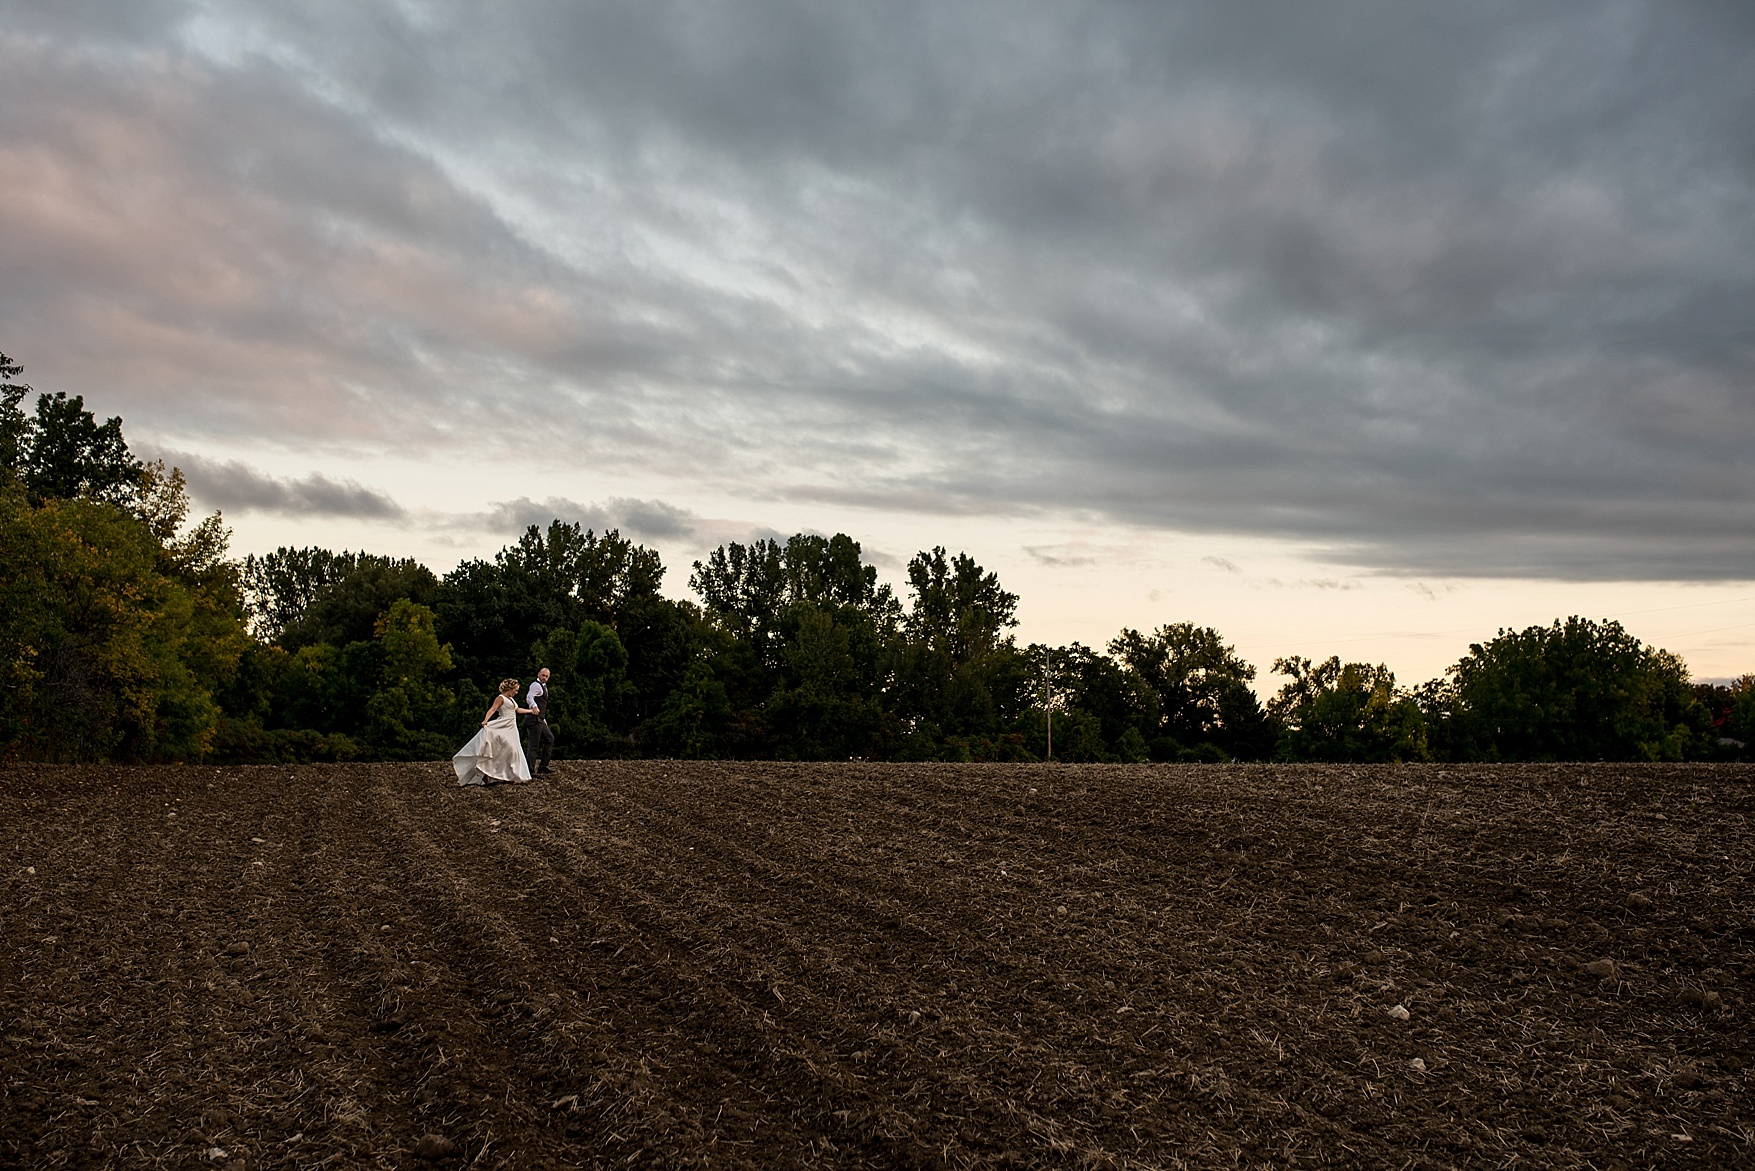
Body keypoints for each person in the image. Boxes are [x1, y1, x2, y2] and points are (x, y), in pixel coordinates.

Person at [452, 679, 538, 786]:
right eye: (515, 690)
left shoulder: (511, 699)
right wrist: (485, 720)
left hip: (511, 728)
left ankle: (514, 776)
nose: (516, 692)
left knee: (515, 750)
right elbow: (492, 709)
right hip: (503, 724)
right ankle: (491, 773)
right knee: (509, 748)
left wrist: (531, 711)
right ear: (510, 689)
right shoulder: (500, 698)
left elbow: (518, 710)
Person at [525, 666, 554, 776]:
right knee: (534, 745)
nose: (545, 678)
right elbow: (529, 697)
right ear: (538, 674)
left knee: (550, 739)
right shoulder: (535, 685)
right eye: (543, 675)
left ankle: (543, 766)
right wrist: (534, 706)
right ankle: (530, 771)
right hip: (534, 719)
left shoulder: (544, 687)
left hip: (540, 719)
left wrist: (543, 718)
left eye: (547, 676)